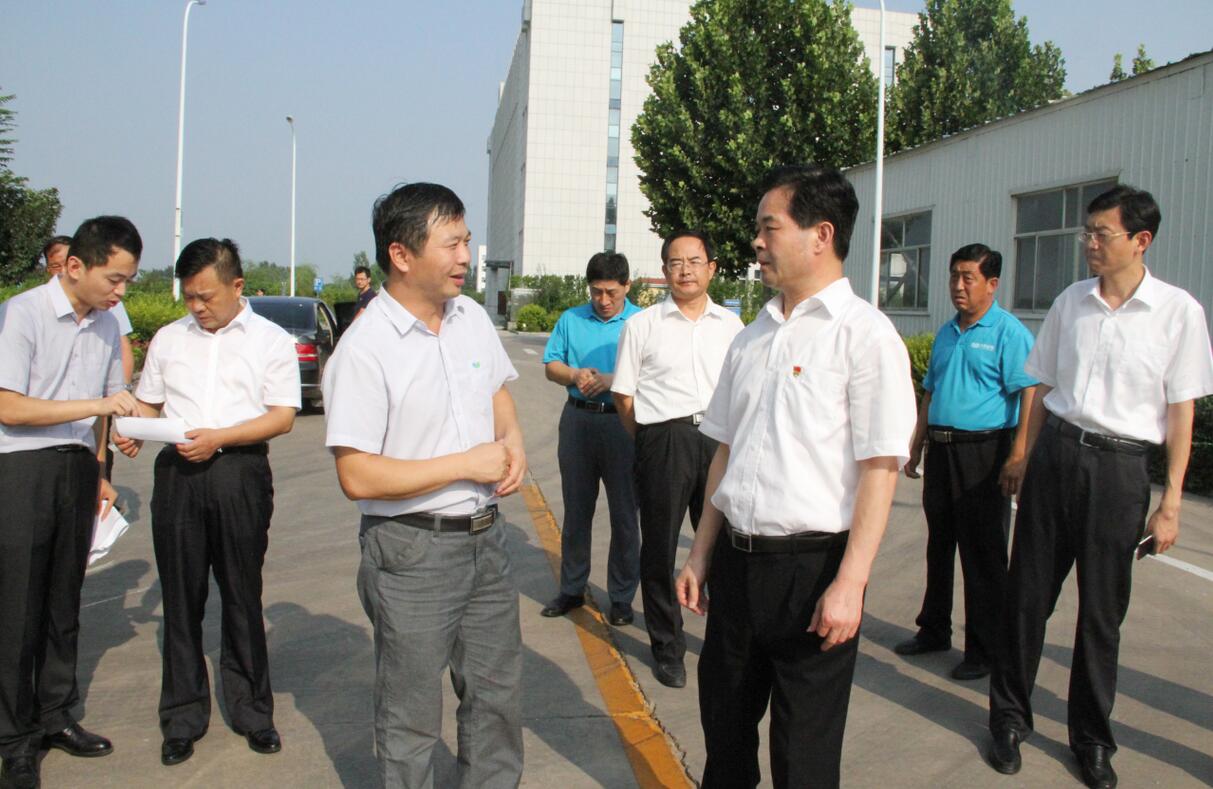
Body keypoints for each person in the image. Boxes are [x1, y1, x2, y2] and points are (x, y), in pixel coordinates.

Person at [675, 164, 916, 789]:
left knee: (803, 758)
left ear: (821, 234)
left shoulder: (864, 336)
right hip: (737, 568)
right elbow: (725, 453)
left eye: (770, 227)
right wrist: (700, 553)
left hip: (812, 575)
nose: (757, 242)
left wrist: (850, 585)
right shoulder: (751, 337)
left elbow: (880, 469)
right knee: (725, 736)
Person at [986, 186, 1213, 788]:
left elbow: (1181, 414)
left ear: (1141, 241)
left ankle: (1091, 740)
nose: (1088, 243)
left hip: (1120, 472)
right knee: (1027, 598)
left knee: (1101, 615)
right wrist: (1025, 455)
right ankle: (1008, 719)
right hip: (1057, 458)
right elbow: (1041, 386)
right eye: (1087, 232)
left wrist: (1170, 503)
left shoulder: (1178, 313)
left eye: (1100, 233)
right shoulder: (1071, 302)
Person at [322, 182, 527, 787]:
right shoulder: (365, 349)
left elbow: (496, 391)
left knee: (495, 701)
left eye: (467, 241)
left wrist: (512, 440)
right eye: (452, 244)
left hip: (487, 542)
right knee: (409, 715)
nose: (466, 257)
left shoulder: (471, 319)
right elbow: (357, 474)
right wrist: (466, 464)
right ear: (402, 255)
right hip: (412, 552)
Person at [113, 238, 300, 767]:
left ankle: (252, 711)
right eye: (189, 296)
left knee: (242, 593)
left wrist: (220, 437)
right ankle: (182, 717)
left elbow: (282, 416)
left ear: (236, 286)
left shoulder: (270, 340)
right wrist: (134, 429)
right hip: (178, 475)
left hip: (239, 472)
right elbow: (151, 403)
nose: (196, 306)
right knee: (181, 598)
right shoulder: (170, 339)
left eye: (206, 296)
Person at [0, 216, 141, 789]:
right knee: (19, 605)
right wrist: (97, 407)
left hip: (79, 468)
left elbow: (110, 403)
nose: (121, 292)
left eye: (128, 281)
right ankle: (15, 739)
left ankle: (57, 715)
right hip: (23, 468)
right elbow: (9, 406)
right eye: (114, 278)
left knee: (64, 600)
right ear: (76, 267)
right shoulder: (24, 313)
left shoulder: (105, 324)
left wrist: (103, 466)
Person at [895, 244, 1037, 680]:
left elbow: (1029, 393)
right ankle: (933, 629)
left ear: (992, 284)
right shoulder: (946, 332)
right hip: (942, 450)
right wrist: (917, 443)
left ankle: (984, 649)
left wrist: (1018, 454)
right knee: (939, 544)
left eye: (968, 277)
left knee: (983, 554)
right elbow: (931, 391)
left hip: (984, 453)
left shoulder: (1008, 333)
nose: (958, 286)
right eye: (954, 276)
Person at [611, 230, 743, 688]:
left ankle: (726, 641)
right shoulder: (642, 325)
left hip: (718, 441)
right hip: (663, 439)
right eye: (675, 262)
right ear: (664, 269)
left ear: (712, 268)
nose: (685, 270)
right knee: (660, 546)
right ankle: (667, 646)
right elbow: (623, 396)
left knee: (724, 544)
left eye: (694, 261)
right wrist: (651, 439)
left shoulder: (732, 327)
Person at [541, 252, 642, 626]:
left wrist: (615, 380)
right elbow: (551, 365)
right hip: (578, 421)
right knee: (577, 510)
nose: (603, 300)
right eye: (596, 291)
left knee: (625, 514)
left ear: (627, 286)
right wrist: (574, 375)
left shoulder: (642, 322)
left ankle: (621, 597)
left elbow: (655, 372)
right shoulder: (571, 319)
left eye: (611, 292)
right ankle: (572, 588)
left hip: (623, 423)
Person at [45, 235, 134, 384]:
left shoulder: (108, 303)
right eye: (55, 266)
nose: (62, 270)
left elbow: (123, 350)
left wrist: (123, 389)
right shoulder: (31, 309)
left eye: (66, 263)